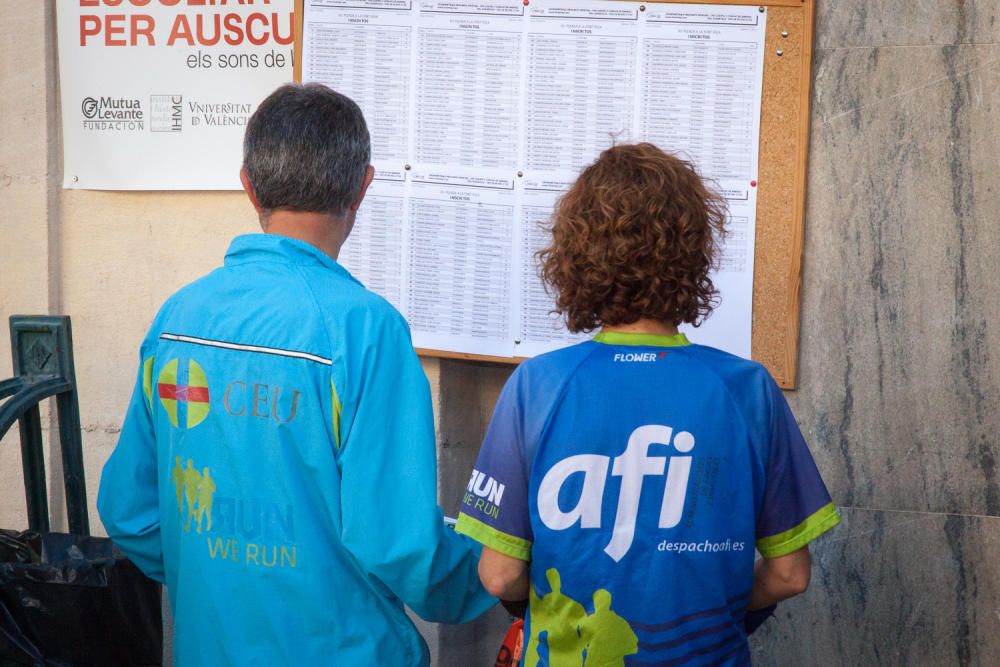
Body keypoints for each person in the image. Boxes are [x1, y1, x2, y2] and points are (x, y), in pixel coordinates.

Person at [98, 83, 495, 665]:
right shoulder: (366, 330)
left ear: (248, 185)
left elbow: (128, 511)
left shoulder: (178, 319)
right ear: (362, 186)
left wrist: (216, 573)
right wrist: (494, 575)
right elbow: (402, 546)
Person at [455, 143, 840, 666]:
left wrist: (545, 614)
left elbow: (498, 573)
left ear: (577, 256)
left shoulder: (537, 386)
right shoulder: (748, 390)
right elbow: (789, 574)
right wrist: (729, 616)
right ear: (694, 253)